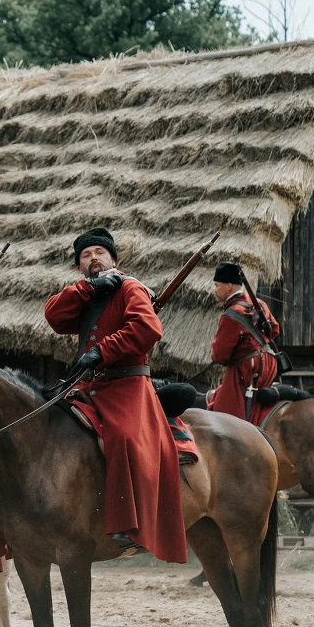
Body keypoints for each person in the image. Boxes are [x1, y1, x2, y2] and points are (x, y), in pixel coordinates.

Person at [44, 227, 185, 561]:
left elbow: (147, 329)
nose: (93, 259)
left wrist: (102, 352)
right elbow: (54, 316)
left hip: (127, 384)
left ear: (113, 258)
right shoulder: (87, 292)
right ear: (80, 267)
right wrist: (86, 289)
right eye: (85, 256)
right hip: (89, 386)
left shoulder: (130, 287)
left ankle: (129, 525)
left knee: (122, 436)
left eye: (99, 253)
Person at [208, 261, 281, 423]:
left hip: (248, 366)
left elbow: (220, 355)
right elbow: (275, 329)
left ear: (228, 286)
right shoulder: (259, 304)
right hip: (269, 363)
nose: (215, 290)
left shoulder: (232, 314)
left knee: (224, 413)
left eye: (216, 285)